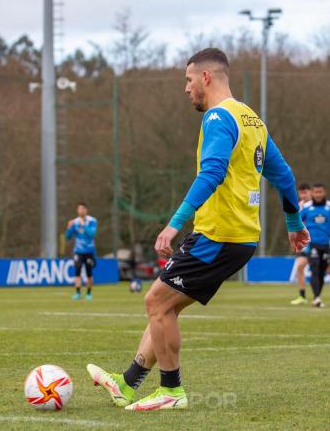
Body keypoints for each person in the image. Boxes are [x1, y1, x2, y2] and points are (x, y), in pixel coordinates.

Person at [87, 48, 309, 411]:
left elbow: (212, 172)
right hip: (238, 237)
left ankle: (172, 392)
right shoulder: (251, 118)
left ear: (206, 77)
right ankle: (127, 385)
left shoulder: (218, 118)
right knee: (165, 305)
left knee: (156, 302)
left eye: (188, 80)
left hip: (218, 236)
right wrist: (294, 221)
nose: (186, 88)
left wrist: (174, 223)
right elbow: (283, 175)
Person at [290, 183, 330, 307]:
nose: (318, 194)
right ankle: (311, 297)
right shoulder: (305, 207)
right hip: (311, 245)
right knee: (311, 268)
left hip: (326, 245)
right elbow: (296, 220)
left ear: (324, 192)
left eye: (320, 192)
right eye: (316, 192)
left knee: (327, 270)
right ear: (313, 193)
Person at [65, 202, 98, 300]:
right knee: (77, 271)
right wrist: (69, 228)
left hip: (89, 251)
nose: (80, 211)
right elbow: (68, 237)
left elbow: (92, 234)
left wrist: (83, 225)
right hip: (78, 251)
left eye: (82, 209)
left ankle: (88, 293)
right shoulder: (74, 222)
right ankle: (78, 293)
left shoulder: (92, 221)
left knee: (89, 273)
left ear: (86, 210)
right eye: (79, 209)